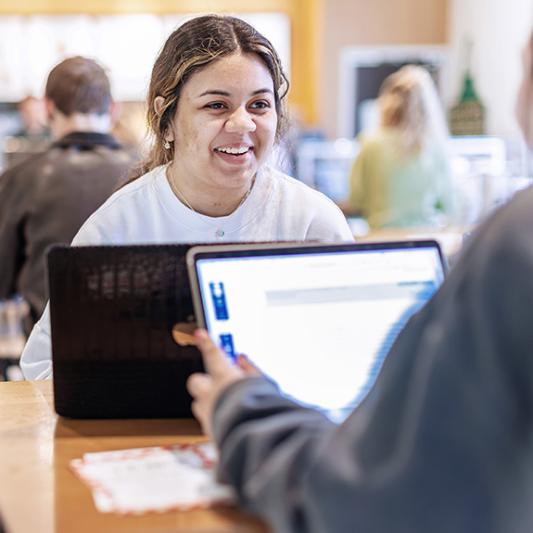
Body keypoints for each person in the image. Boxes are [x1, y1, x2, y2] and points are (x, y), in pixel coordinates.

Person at [187, 31, 533, 533]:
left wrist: (240, 412)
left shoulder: (514, 246)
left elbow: (374, 499)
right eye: (217, 104)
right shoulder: (448, 162)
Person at [20, 15, 353, 380]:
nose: (242, 124)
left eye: (259, 105)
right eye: (217, 106)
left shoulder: (311, 222)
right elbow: (45, 367)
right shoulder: (117, 227)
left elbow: (359, 357)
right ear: (167, 120)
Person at [0, 57, 134, 335]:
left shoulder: (22, 177)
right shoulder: (148, 173)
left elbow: (3, 278)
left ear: (48, 108)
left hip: (49, 357)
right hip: (137, 345)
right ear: (113, 108)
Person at [348, 65, 455, 229]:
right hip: (426, 240)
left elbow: (357, 200)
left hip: (382, 242)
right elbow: (450, 205)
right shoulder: (435, 147)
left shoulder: (371, 143)